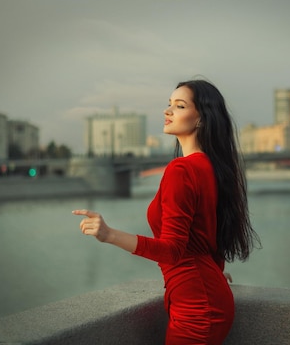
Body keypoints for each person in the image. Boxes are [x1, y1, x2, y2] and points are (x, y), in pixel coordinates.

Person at [72, 79, 260, 344]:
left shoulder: (180, 170)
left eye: (179, 106)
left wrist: (109, 234)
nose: (167, 111)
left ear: (201, 119)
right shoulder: (210, 166)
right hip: (205, 299)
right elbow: (210, 237)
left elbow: (173, 251)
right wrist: (213, 274)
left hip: (194, 309)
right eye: (169, 104)